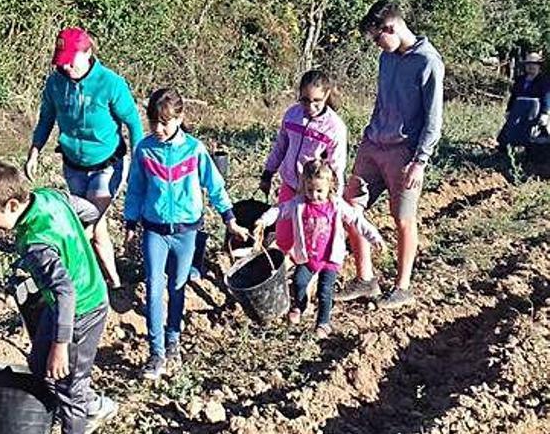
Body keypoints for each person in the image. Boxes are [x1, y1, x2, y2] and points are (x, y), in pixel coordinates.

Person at [0, 160, 118, 434]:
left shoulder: (37, 244)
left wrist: (61, 346)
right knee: (39, 364)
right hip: (60, 306)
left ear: (12, 205)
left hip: (83, 310)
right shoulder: (49, 196)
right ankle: (86, 403)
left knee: (69, 387)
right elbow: (90, 210)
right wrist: (81, 234)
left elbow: (65, 292)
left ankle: (84, 412)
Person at [123, 88, 249, 379]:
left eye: (164, 122)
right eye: (153, 122)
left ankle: (173, 340)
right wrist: (130, 225)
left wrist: (228, 218)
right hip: (154, 230)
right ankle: (155, 353)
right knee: (154, 287)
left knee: (177, 287)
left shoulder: (194, 150)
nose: (158, 129)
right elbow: (136, 190)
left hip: (186, 232)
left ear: (180, 118)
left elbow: (215, 186)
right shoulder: (144, 149)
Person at [336, 0, 444, 309]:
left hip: (404, 154)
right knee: (349, 208)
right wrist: (369, 134)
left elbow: (433, 121)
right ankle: (366, 279)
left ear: (392, 27)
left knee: (403, 219)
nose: (376, 46)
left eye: (377, 38)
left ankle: (402, 286)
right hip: (373, 146)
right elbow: (382, 101)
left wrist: (420, 162)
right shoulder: (387, 58)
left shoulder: (428, 62)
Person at [25, 27, 144, 289]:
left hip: (108, 166)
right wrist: (34, 151)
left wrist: (139, 161)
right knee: (97, 227)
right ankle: (114, 281)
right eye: (61, 61)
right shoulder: (55, 84)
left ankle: (75, 275)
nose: (66, 66)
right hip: (74, 166)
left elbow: (134, 123)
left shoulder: (110, 84)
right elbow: (47, 119)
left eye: (71, 60)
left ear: (88, 53)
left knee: (88, 224)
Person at [253, 160, 385, 338]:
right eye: (310, 190)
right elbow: (280, 210)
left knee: (325, 291)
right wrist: (263, 220)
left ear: (330, 186)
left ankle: (323, 323)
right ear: (304, 186)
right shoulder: (299, 205)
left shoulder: (336, 205)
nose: (314, 195)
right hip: (308, 257)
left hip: (329, 258)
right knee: (299, 282)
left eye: (319, 191)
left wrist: (374, 237)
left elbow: (356, 220)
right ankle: (300, 305)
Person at [259, 69, 348, 254]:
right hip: (290, 185)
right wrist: (268, 173)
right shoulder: (292, 115)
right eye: (305, 100)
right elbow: (281, 146)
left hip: (314, 193)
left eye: (317, 101)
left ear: (327, 95)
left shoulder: (334, 127)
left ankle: (307, 276)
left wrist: (334, 200)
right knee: (283, 238)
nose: (310, 106)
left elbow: (336, 167)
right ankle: (283, 270)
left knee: (310, 240)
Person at [498, 51, 550, 148]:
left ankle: (529, 155)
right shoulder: (520, 79)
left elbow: (546, 96)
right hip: (518, 109)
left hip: (534, 109)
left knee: (532, 134)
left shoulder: (544, 80)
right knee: (509, 132)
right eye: (529, 64)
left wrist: (545, 113)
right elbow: (514, 96)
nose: (531, 66)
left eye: (534, 64)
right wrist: (508, 110)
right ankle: (506, 150)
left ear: (539, 66)